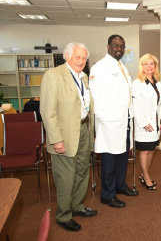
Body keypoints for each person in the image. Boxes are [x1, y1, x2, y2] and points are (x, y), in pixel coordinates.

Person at [40, 42, 97, 232]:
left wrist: (90, 131)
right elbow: (47, 111)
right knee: (65, 177)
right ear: (67, 56)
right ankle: (63, 215)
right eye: (77, 57)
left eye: (83, 58)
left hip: (82, 130)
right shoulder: (54, 76)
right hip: (63, 134)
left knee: (82, 171)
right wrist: (56, 139)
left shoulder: (84, 77)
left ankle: (77, 206)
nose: (81, 61)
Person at [89, 34, 138, 209]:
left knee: (123, 156)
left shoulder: (122, 66)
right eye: (116, 45)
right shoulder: (99, 68)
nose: (119, 49)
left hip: (124, 120)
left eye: (122, 46)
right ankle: (107, 194)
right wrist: (105, 119)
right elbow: (95, 97)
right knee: (110, 158)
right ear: (108, 46)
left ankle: (120, 185)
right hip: (109, 123)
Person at [132, 54, 161, 191]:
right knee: (145, 151)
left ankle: (143, 173)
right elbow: (136, 105)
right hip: (144, 124)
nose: (149, 67)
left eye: (152, 64)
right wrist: (144, 123)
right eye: (146, 64)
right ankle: (146, 176)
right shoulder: (137, 83)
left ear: (155, 66)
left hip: (156, 123)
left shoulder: (158, 82)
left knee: (152, 149)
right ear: (142, 66)